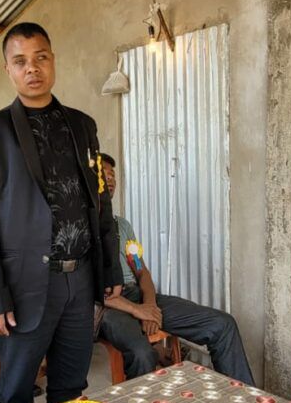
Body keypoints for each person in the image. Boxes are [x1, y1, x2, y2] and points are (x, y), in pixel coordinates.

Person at [0, 23, 123, 403]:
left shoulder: (82, 125)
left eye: (41, 58)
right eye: (21, 61)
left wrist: (110, 263)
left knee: (72, 387)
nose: (32, 68)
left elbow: (98, 199)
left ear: (52, 61)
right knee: (15, 394)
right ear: (8, 69)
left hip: (81, 278)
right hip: (25, 286)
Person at [97, 154, 255, 384]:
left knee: (222, 324)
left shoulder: (122, 226)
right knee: (143, 354)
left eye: (113, 175)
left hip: (137, 295)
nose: (109, 180)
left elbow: (142, 272)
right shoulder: (82, 230)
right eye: (103, 175)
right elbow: (94, 291)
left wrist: (149, 305)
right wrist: (137, 310)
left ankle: (244, 402)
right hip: (108, 306)